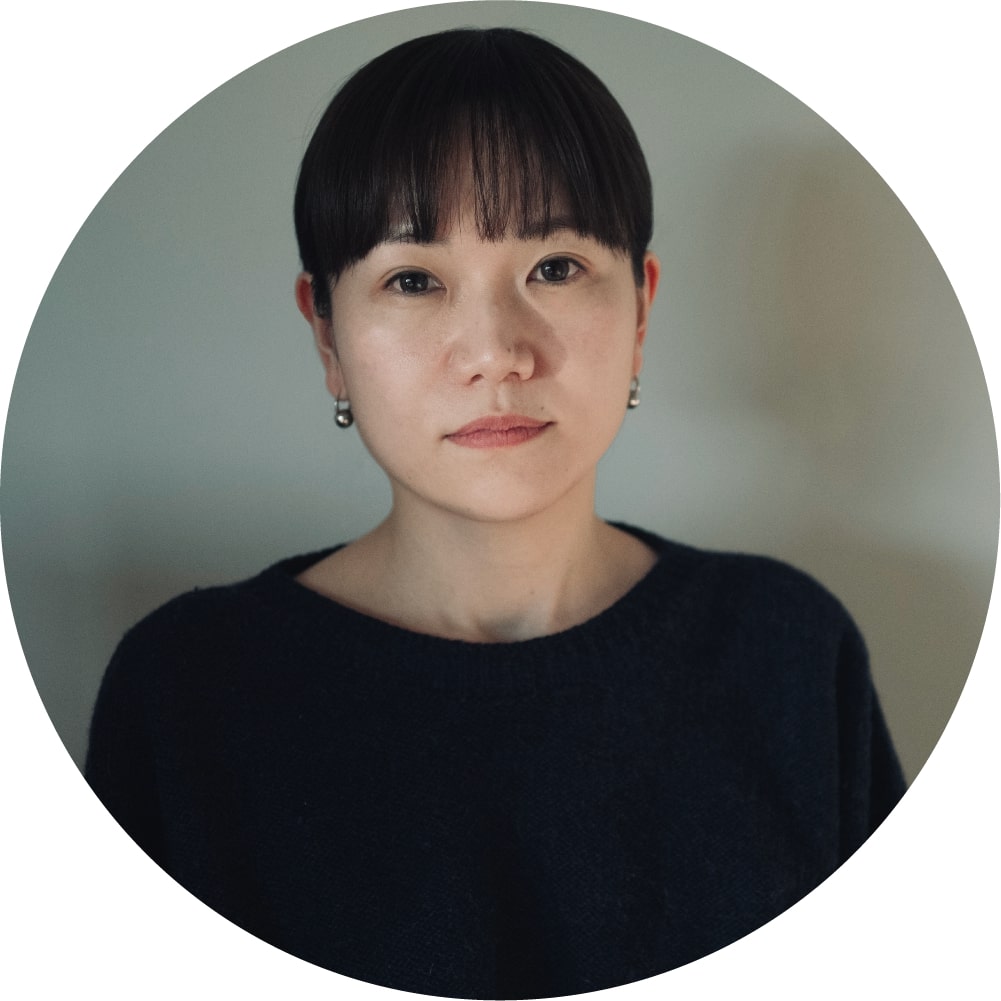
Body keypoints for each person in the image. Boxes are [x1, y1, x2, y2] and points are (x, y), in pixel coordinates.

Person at [85, 27, 906, 999]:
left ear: (640, 308)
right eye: (413, 280)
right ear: (327, 335)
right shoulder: (185, 696)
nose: (494, 353)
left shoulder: (788, 653)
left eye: (554, 267)